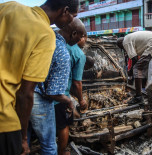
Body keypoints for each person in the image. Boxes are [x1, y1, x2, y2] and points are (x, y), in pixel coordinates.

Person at [0, 0, 79, 155]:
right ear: (65, 10)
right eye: (73, 16)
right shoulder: (45, 34)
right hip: (4, 116)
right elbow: (25, 93)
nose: (72, 21)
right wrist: (22, 139)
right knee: (49, 145)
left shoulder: (8, 6)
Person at [55, 18, 88, 155]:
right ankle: (62, 151)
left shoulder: (58, 44)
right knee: (64, 125)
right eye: (83, 36)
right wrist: (81, 100)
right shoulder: (79, 54)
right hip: (60, 95)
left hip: (48, 93)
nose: (84, 39)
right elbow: (77, 82)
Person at [117, 31, 152, 104]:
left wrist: (130, 75)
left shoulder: (125, 41)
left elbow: (134, 60)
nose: (124, 50)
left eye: (122, 48)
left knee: (137, 68)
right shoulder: (133, 37)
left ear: (121, 44)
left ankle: (138, 97)